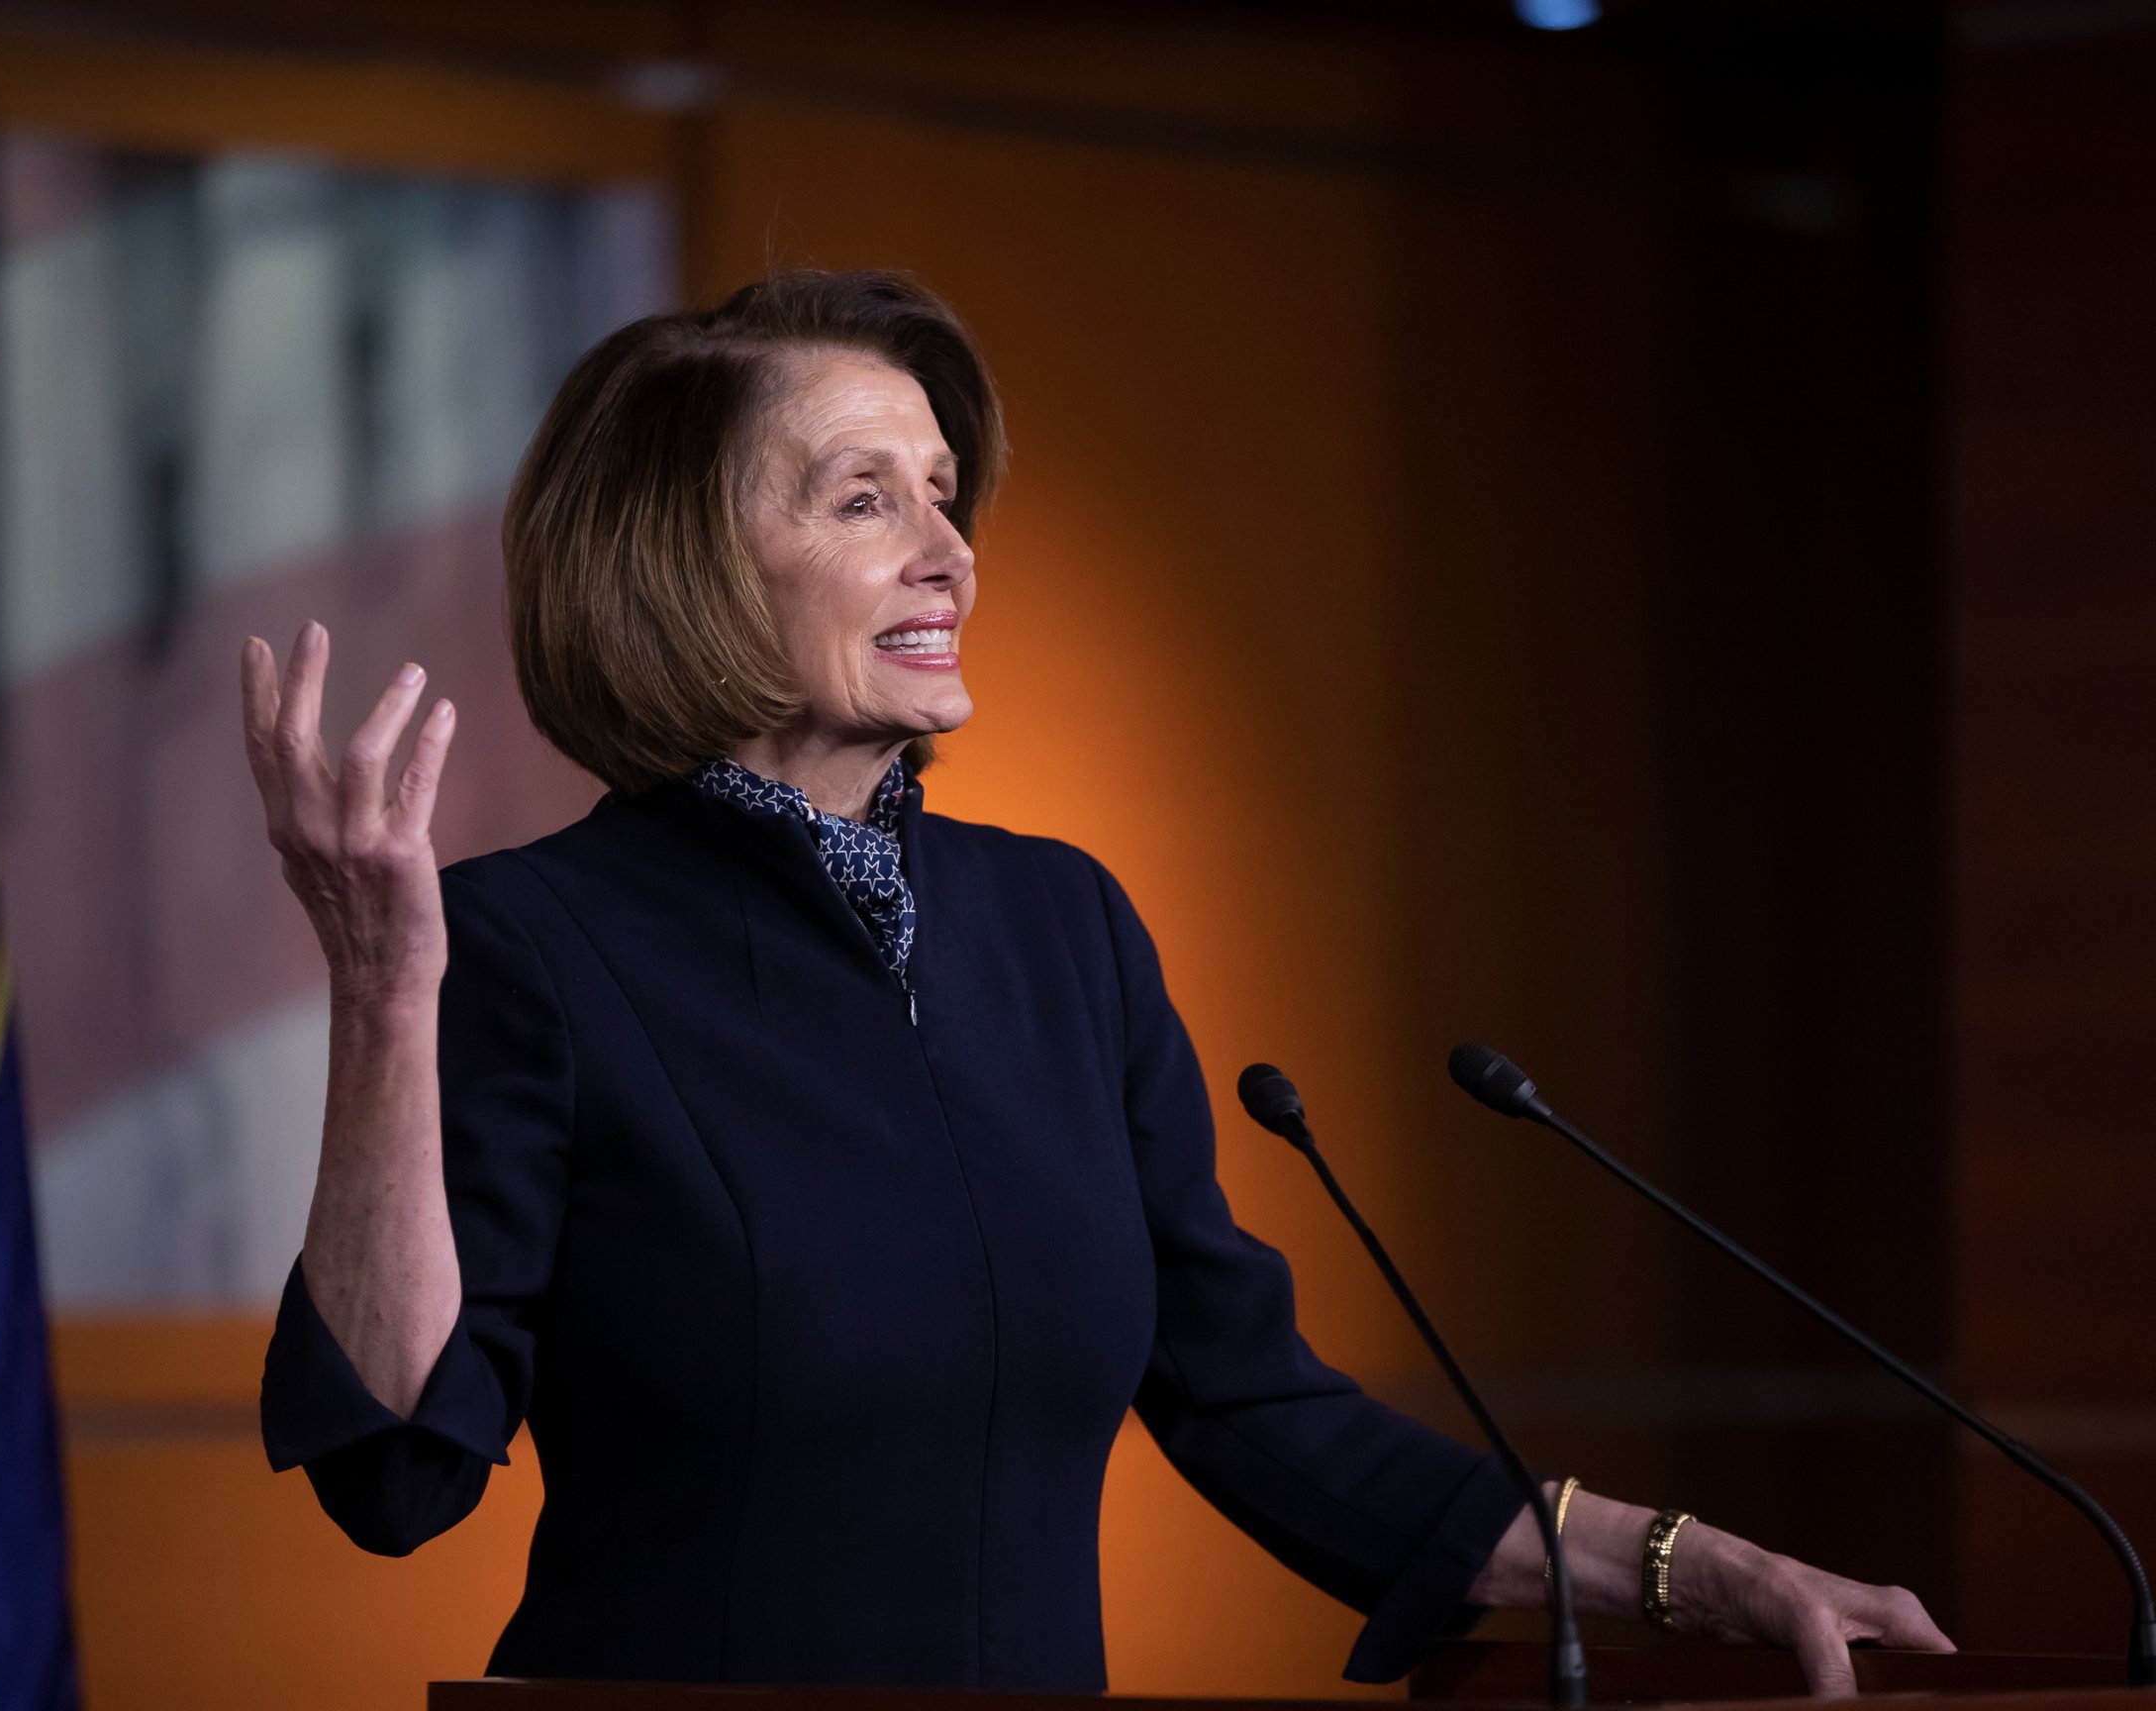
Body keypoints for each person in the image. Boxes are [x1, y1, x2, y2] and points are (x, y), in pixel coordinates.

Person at [244, 270, 1951, 1694]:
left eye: (943, 491)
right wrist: (389, 990)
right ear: (682, 565)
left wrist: (1693, 1568)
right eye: (864, 498)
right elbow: (394, 1468)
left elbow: (1262, 1413)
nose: (948, 547)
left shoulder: (1061, 928)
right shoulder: (527, 950)